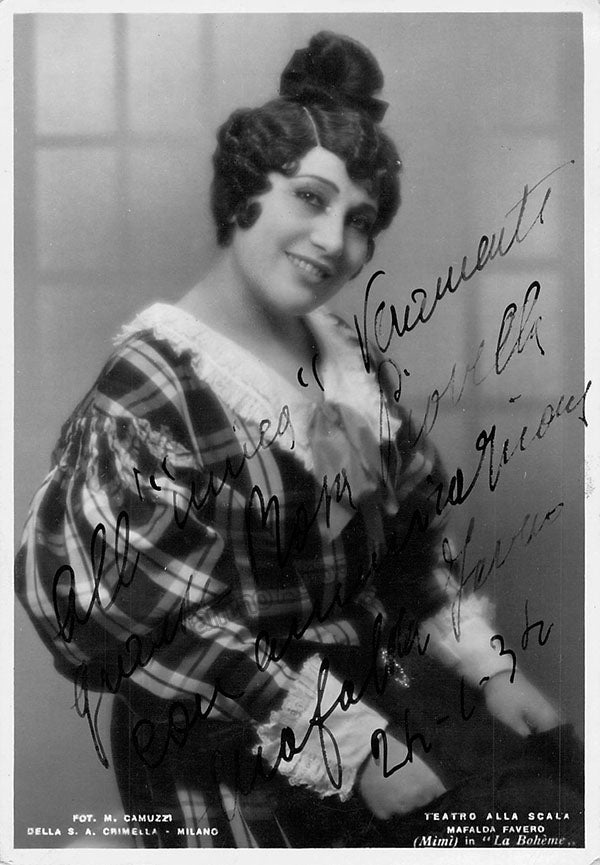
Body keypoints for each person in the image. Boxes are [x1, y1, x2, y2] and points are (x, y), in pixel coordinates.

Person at [15, 31, 582, 848]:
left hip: (375, 696)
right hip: (234, 743)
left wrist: (486, 665)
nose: (332, 242)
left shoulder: (346, 365)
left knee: (556, 801)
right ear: (243, 195)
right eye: (310, 199)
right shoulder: (150, 391)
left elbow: (407, 547)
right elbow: (114, 614)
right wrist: (341, 738)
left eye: (359, 221)